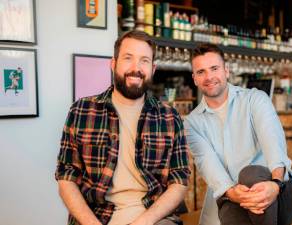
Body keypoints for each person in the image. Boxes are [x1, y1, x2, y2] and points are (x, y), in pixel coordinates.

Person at [55, 30, 191, 225]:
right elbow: (66, 177)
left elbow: (179, 180)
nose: (136, 68)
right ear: (113, 63)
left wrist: (143, 222)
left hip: (153, 217)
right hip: (96, 217)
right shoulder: (82, 110)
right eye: (128, 58)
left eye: (144, 60)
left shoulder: (169, 116)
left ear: (153, 69)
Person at [184, 43, 292, 225]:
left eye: (214, 68)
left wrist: (275, 184)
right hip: (234, 197)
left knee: (250, 174)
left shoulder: (255, 99)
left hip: (279, 191)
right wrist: (233, 193)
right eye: (201, 72)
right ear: (194, 79)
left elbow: (274, 147)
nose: (209, 77)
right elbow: (209, 166)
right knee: (230, 210)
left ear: (226, 70)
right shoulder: (192, 123)